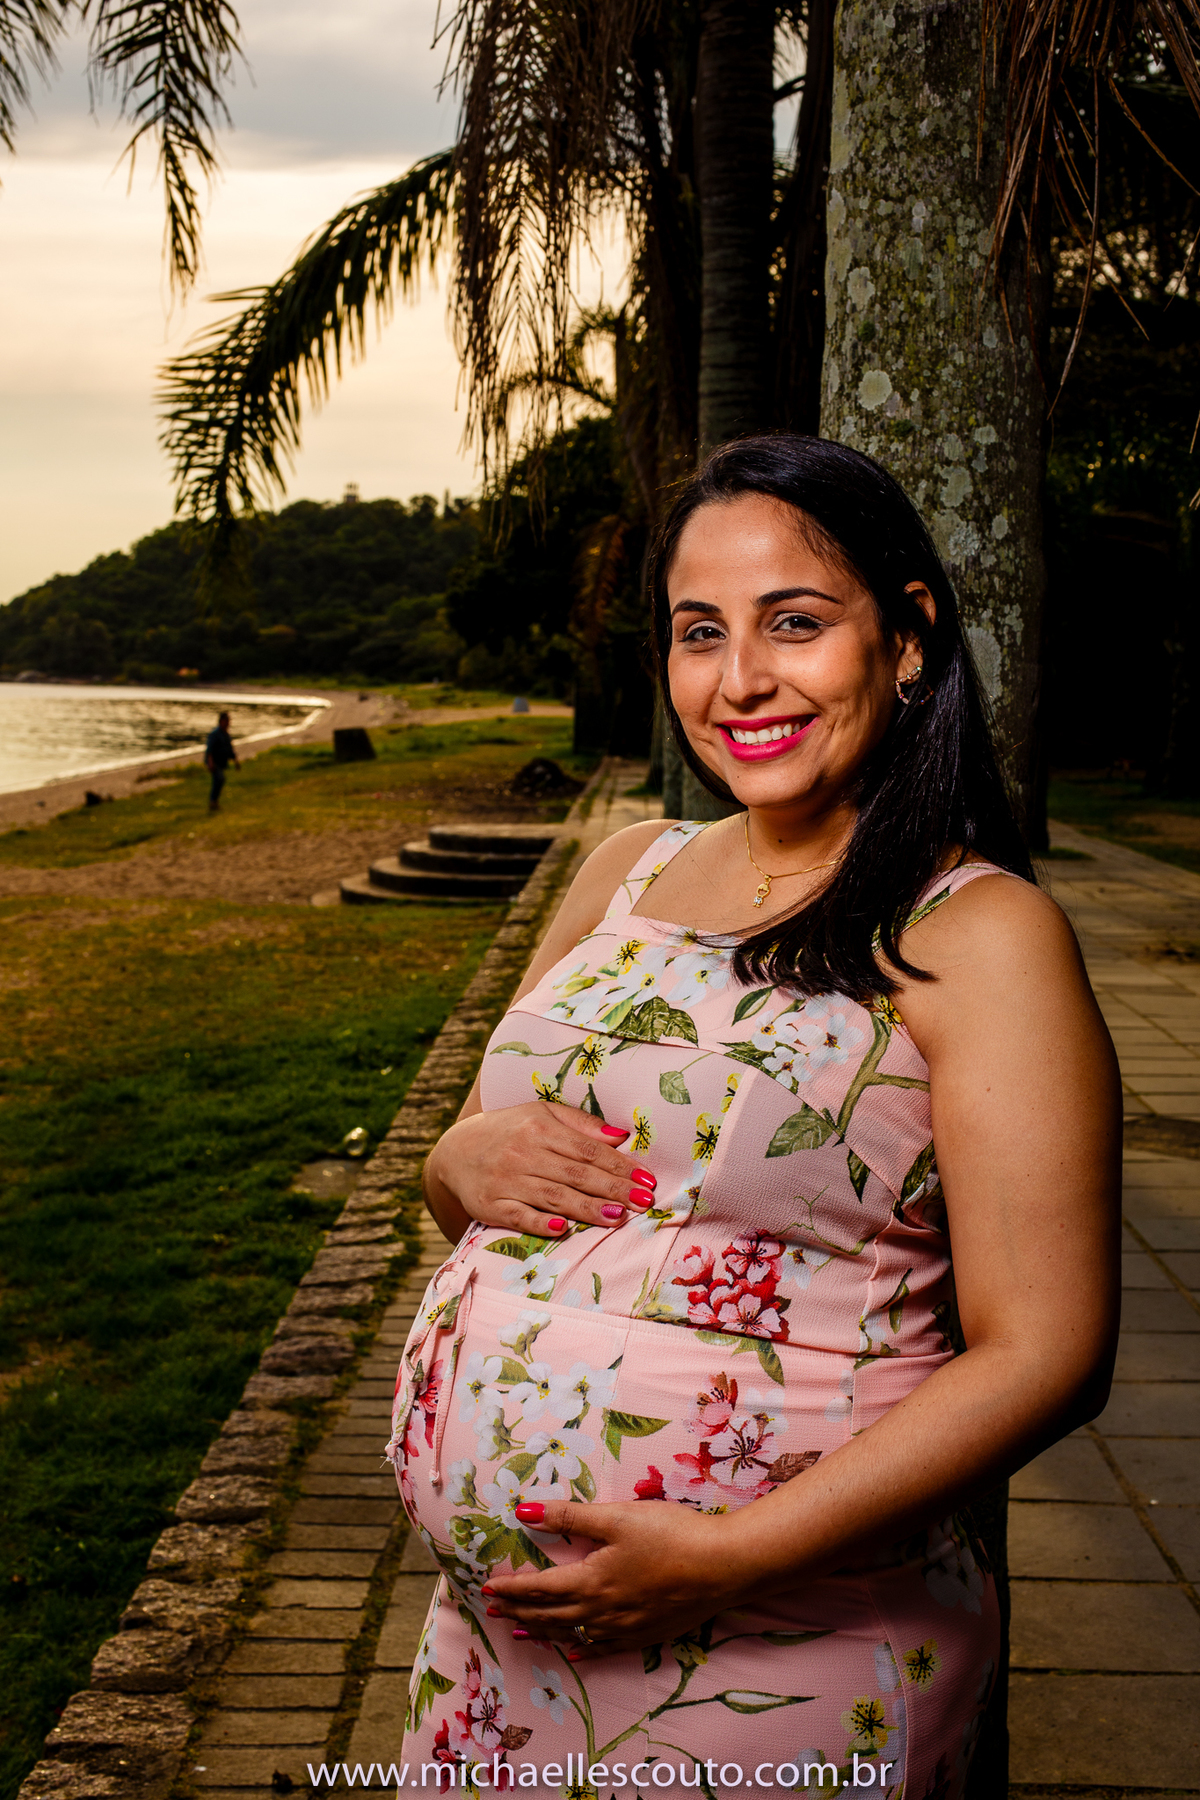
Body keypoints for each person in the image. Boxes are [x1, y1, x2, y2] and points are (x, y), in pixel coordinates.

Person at [387, 436, 1120, 1799]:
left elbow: (1052, 1353)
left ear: (907, 640)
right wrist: (453, 1157)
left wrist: (733, 1554)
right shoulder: (628, 868)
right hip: (492, 1663)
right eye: (698, 634)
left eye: (797, 624)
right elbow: (499, 1183)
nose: (741, 683)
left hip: (782, 1652)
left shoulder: (982, 936)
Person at [204, 710, 240, 814]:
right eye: (227, 721)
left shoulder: (226, 735)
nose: (228, 723)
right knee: (219, 779)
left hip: (221, 762)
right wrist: (210, 763)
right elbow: (209, 750)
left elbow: (230, 750)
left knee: (220, 780)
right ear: (221, 721)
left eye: (229, 721)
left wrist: (236, 762)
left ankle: (214, 801)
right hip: (214, 762)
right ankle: (213, 802)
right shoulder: (215, 734)